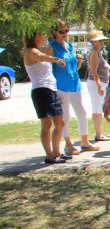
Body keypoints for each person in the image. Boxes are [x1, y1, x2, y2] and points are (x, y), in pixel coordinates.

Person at [47, 20, 100, 155]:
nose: (65, 33)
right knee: (65, 115)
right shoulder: (51, 47)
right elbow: (48, 67)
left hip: (74, 83)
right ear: (54, 32)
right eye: (61, 31)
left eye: (66, 30)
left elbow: (73, 66)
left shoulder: (69, 45)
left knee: (81, 112)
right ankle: (68, 145)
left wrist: (78, 60)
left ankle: (85, 142)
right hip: (60, 85)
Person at [24, 31, 69, 164]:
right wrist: (56, 59)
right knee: (47, 124)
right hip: (41, 90)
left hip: (50, 89)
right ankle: (50, 156)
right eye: (42, 34)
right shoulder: (31, 51)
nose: (44, 36)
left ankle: (57, 152)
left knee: (60, 122)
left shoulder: (38, 50)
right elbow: (43, 57)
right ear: (34, 36)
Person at [85, 29, 110, 141]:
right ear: (93, 42)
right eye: (99, 40)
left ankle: (101, 132)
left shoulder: (98, 53)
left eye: (102, 40)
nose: (101, 42)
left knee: (98, 108)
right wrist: (99, 86)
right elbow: (94, 71)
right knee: (96, 109)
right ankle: (98, 134)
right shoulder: (94, 54)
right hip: (96, 83)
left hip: (100, 83)